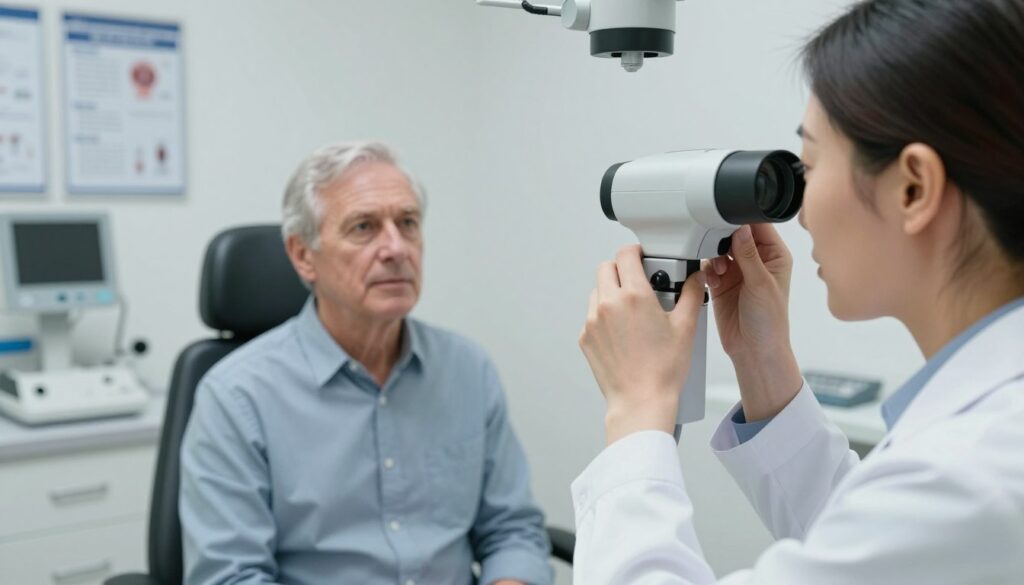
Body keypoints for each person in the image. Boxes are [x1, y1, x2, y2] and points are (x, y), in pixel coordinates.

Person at [572, 0, 1024, 583]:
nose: (799, 209)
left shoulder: (974, 473)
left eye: (810, 162)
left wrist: (635, 415)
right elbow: (870, 539)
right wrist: (764, 365)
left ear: (914, 189)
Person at [180, 142, 552, 585]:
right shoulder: (236, 397)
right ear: (303, 256)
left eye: (408, 223)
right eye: (364, 227)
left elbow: (512, 531)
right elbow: (231, 576)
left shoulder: (467, 369)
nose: (396, 248)